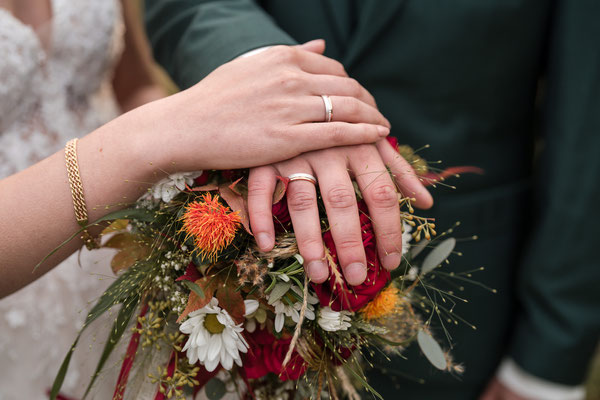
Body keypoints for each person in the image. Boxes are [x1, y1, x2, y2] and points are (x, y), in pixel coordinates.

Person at [144, 1, 600, 399]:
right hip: (230, 290)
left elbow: (587, 124)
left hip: (460, 310)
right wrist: (281, 93)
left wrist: (548, 361)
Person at [0, 2, 397, 398]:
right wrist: (159, 137)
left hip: (125, 247)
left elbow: (132, 82)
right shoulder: (150, 141)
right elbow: (159, 126)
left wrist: (224, 175)